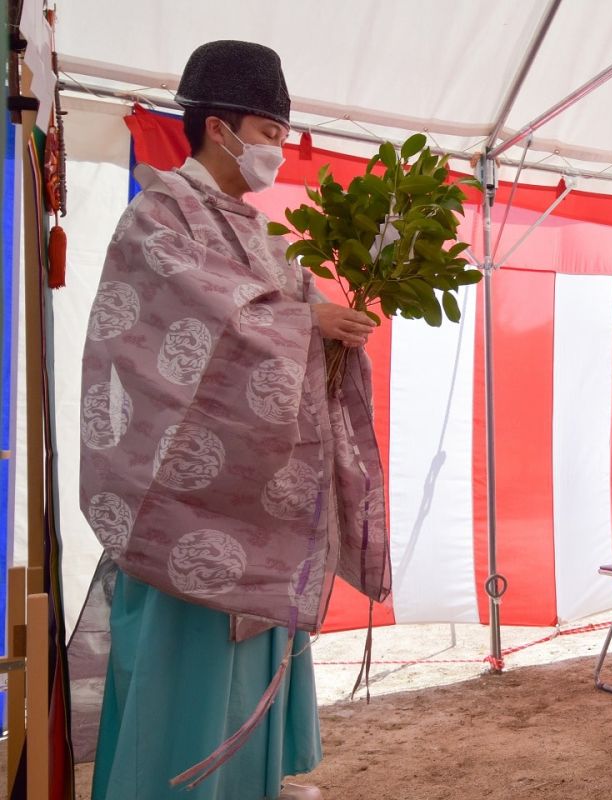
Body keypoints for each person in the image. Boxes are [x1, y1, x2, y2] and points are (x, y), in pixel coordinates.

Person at [79, 41, 389, 800]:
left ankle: (249, 785)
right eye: (270, 132)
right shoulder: (157, 216)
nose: (278, 150)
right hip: (185, 499)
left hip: (257, 492)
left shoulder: (261, 234)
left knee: (249, 652)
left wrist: (331, 333)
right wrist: (303, 326)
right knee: (185, 670)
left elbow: (292, 324)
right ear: (219, 128)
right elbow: (191, 330)